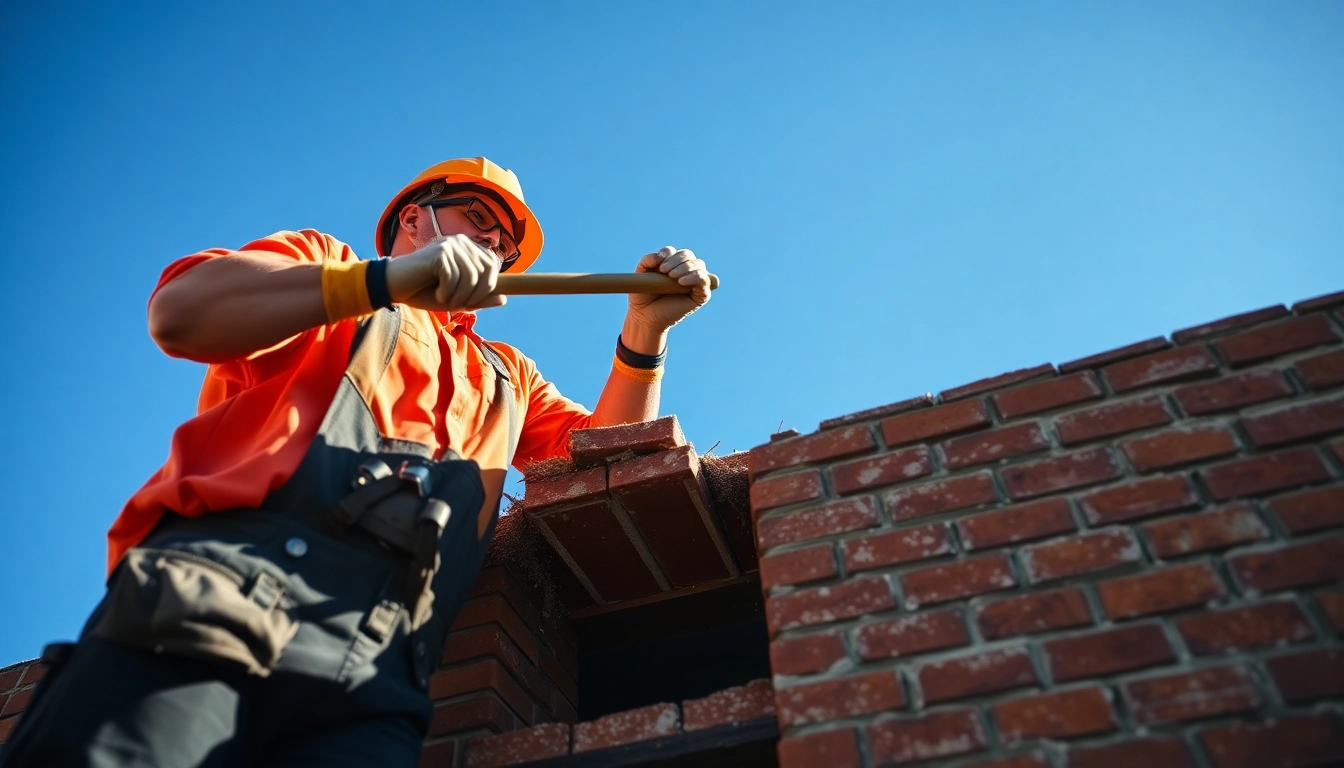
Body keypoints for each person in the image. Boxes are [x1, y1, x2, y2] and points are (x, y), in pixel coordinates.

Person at [0, 157, 712, 767]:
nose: (495, 239)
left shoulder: (506, 375)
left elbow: (603, 458)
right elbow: (181, 311)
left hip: (381, 674)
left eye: (506, 237)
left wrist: (643, 330)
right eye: (477, 215)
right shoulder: (330, 277)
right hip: (226, 592)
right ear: (414, 220)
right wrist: (384, 282)